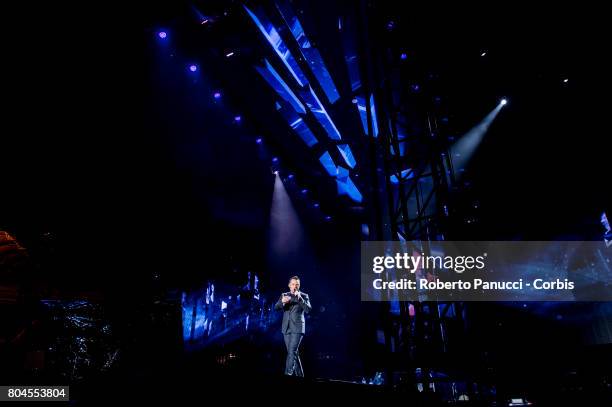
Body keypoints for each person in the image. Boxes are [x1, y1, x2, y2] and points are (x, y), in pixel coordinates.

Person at [274, 275, 311, 377]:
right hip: (286, 328)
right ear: (289, 285)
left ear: (299, 286)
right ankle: (300, 376)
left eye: (297, 284)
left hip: (298, 328)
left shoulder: (304, 296)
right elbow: (276, 307)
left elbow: (308, 309)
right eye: (293, 284)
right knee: (293, 353)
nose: (295, 286)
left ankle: (288, 374)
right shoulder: (284, 295)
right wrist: (282, 302)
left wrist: (300, 299)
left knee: (291, 352)